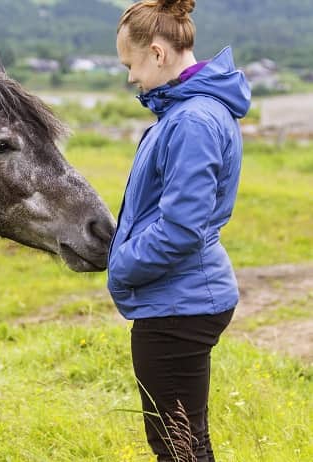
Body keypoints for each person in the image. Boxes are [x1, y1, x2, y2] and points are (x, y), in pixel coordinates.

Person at [108, 1, 251, 461]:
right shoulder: (187, 113)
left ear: (157, 53)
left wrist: (120, 264)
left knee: (178, 448)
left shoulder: (192, 120)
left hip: (178, 306)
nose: (131, 77)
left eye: (130, 64)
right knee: (185, 442)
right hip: (181, 297)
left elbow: (182, 228)